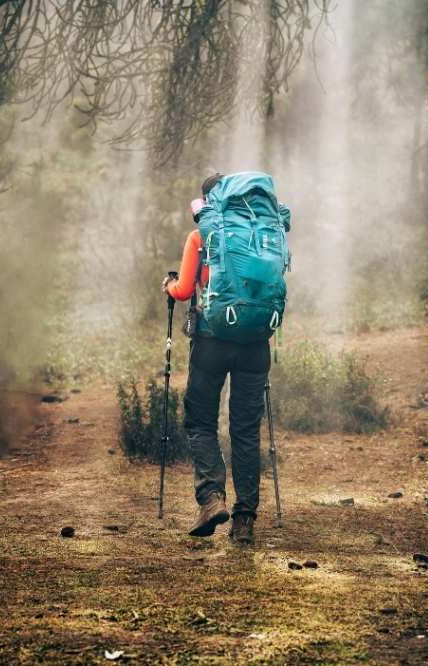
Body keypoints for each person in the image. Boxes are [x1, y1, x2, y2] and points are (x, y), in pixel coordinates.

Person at [161, 173, 271, 546]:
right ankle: (244, 521)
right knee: (244, 429)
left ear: (209, 202)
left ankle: (211, 500)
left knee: (201, 422)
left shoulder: (201, 236)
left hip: (211, 341)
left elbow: (184, 291)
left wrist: (169, 285)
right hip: (256, 344)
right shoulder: (261, 235)